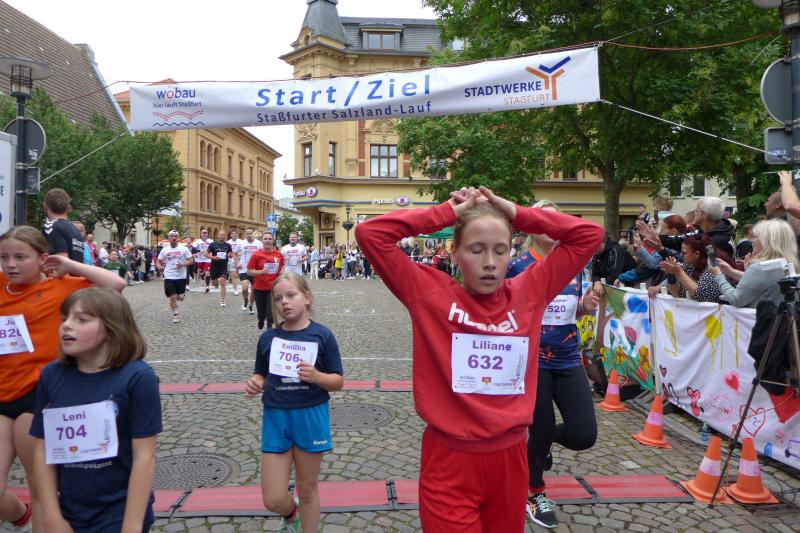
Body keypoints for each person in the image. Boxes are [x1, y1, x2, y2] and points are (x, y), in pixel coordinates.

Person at [356, 186, 603, 532]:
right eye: (476, 250)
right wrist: (446, 212)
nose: (489, 262)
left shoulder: (529, 291)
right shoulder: (429, 293)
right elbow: (370, 234)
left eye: (500, 250)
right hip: (450, 461)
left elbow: (590, 235)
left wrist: (516, 212)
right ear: (455, 253)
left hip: (510, 460)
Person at [0, 226, 125, 531]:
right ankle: (19, 515)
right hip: (2, 391)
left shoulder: (62, 287)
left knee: (41, 487)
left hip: (38, 395)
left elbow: (116, 284)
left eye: (20, 257)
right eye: (4, 258)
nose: (11, 264)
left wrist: (69, 264)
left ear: (42, 259)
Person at [30, 288, 161, 533]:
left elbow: (144, 457)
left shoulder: (138, 378)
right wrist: (53, 518)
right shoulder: (51, 376)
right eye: (64, 318)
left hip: (119, 510)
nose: (67, 325)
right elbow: (43, 450)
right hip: (70, 510)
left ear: (112, 328)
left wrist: (131, 525)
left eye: (82, 319)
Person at [506, 200, 599, 529]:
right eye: (542, 219)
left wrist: (585, 307)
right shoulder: (517, 266)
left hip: (568, 357)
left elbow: (572, 311)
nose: (549, 225)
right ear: (532, 227)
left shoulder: (573, 265)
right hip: (533, 361)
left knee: (583, 434)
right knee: (541, 428)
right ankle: (534, 492)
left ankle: (539, 447)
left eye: (555, 219)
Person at [244, 273, 343, 533]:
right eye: (278, 299)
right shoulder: (268, 338)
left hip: (310, 415)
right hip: (276, 417)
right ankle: (292, 513)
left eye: (291, 295)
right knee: (273, 499)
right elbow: (261, 374)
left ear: (307, 298)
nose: (284, 302)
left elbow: (337, 381)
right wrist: (256, 381)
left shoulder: (322, 335)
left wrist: (318, 377)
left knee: (307, 489)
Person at [709, 219, 799, 308]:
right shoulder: (789, 264)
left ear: (766, 241)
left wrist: (718, 275)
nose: (751, 240)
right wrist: (730, 271)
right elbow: (759, 281)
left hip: (762, 317)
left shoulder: (759, 268)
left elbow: (736, 299)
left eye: (755, 236)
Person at [659, 236, 730, 303]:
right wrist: (671, 274)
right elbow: (677, 295)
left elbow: (700, 296)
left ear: (697, 254)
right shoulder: (689, 266)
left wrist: (679, 272)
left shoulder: (713, 268)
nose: (681, 255)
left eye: (684, 253)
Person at [248, 232, 285, 330]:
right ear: (262, 240)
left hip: (273, 287)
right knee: (261, 312)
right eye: (265, 239)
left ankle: (269, 333)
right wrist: (261, 272)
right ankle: (260, 319)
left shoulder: (278, 254)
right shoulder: (256, 254)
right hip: (259, 287)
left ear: (273, 241)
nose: (267, 241)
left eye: (269, 239)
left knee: (270, 314)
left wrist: (282, 271)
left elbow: (282, 266)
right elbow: (249, 271)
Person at [156, 230, 194, 323]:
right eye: (172, 236)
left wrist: (183, 264)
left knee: (180, 297)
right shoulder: (164, 250)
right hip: (169, 275)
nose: (173, 238)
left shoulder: (184, 249)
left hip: (181, 276)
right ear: (168, 238)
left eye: (175, 236)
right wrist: (159, 267)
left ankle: (181, 294)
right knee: (172, 297)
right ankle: (175, 314)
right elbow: (158, 261)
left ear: (178, 238)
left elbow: (191, 260)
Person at [40, 188, 85, 262]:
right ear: (67, 206)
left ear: (45, 206)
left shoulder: (50, 227)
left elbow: (60, 261)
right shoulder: (76, 230)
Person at [236, 228, 262, 314]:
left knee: (254, 290)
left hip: (255, 270)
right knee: (245, 288)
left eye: (251, 233)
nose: (249, 235)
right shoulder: (241, 243)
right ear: (245, 234)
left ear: (253, 234)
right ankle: (245, 300)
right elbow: (234, 253)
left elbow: (263, 254)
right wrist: (238, 263)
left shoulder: (259, 244)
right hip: (244, 269)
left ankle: (251, 305)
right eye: (247, 233)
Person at [205, 230, 233, 307]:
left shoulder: (228, 245)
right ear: (218, 235)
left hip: (223, 267)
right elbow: (206, 253)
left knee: (223, 282)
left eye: (223, 235)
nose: (221, 236)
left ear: (225, 236)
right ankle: (216, 283)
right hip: (214, 267)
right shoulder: (213, 244)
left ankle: (222, 301)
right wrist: (213, 257)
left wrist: (230, 255)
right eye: (220, 235)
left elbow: (231, 253)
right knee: (214, 283)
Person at [227, 229, 243, 296]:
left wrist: (239, 253)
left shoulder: (241, 242)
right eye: (232, 233)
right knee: (233, 274)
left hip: (240, 260)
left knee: (240, 275)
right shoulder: (228, 242)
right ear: (230, 235)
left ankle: (243, 286)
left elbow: (244, 250)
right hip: (231, 260)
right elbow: (226, 252)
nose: (234, 235)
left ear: (237, 234)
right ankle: (235, 290)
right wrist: (229, 254)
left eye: (235, 233)